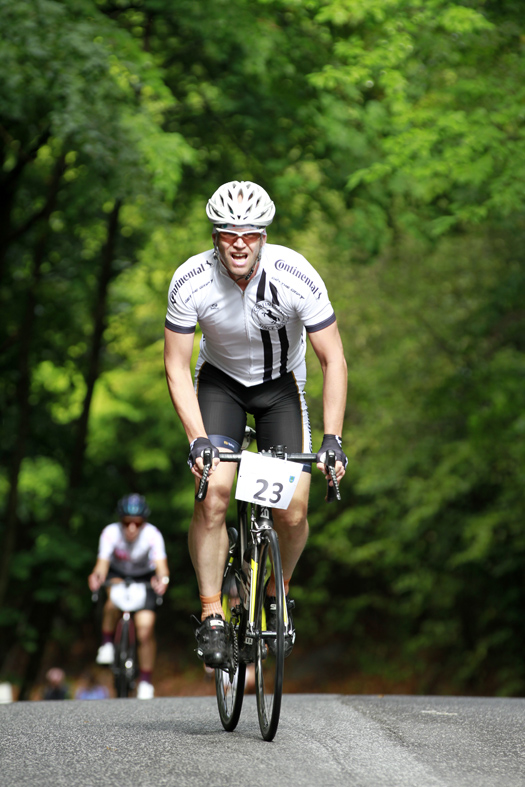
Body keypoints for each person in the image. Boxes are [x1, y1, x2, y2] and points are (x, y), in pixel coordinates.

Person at [164, 180, 347, 668]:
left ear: (264, 236)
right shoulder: (191, 280)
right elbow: (176, 366)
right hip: (219, 386)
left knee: (292, 512)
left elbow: (333, 359)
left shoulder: (295, 275)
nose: (239, 243)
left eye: (250, 234)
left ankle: (275, 589)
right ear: (215, 236)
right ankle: (211, 614)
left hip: (280, 389)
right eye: (229, 233)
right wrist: (197, 439)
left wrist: (332, 438)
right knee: (213, 494)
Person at [87, 494, 170, 700]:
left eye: (137, 523)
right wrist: (97, 577)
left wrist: (162, 580)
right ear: (120, 521)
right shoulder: (110, 533)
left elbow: (162, 568)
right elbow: (102, 564)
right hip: (118, 575)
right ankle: (107, 643)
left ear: (144, 522)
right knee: (112, 603)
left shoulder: (152, 535)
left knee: (145, 630)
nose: (132, 528)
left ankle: (146, 681)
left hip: (144, 578)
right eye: (126, 522)